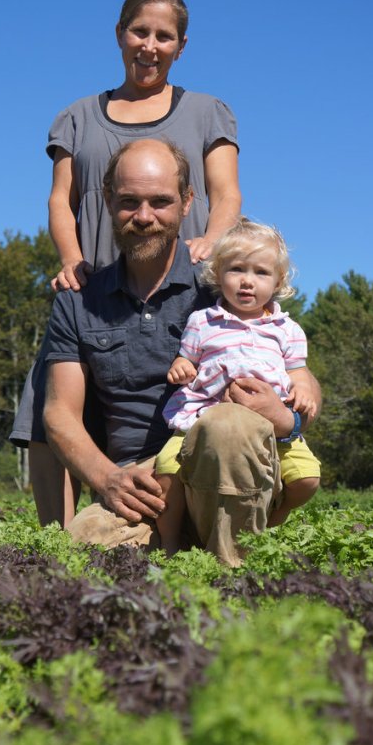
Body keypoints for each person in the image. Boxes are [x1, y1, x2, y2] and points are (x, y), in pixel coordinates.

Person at [10, 0, 241, 527]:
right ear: (120, 35)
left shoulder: (207, 112)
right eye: (140, 31)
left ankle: (199, 522)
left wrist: (213, 240)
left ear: (180, 46)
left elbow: (227, 193)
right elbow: (60, 200)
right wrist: (71, 259)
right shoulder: (78, 117)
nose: (150, 45)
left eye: (165, 36)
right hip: (95, 291)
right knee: (51, 404)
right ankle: (56, 541)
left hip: (176, 286)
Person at [42, 138, 321, 567]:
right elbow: (59, 413)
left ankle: (237, 575)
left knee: (226, 424)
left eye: (160, 201)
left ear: (188, 203)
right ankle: (185, 550)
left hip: (225, 462)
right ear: (108, 199)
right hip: (145, 487)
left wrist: (289, 417)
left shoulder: (222, 284)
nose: (144, 216)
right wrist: (108, 478)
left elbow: (295, 367)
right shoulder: (78, 300)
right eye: (129, 201)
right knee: (83, 549)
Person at [153, 219, 321, 554]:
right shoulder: (202, 321)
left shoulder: (286, 330)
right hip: (201, 418)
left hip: (270, 426)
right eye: (236, 270)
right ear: (217, 275)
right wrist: (181, 367)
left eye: (260, 272)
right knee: (166, 471)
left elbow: (298, 370)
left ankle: (275, 519)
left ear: (278, 281)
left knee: (307, 479)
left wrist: (301, 390)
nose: (247, 281)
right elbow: (186, 358)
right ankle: (169, 539)